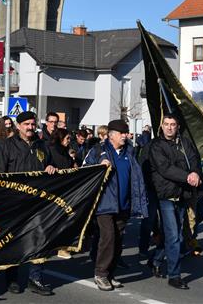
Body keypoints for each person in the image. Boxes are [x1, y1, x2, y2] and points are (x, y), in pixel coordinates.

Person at [0, 111, 57, 296]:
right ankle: (11, 278)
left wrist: (50, 168)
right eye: (26, 124)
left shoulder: (42, 146)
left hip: (37, 204)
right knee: (13, 242)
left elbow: (50, 167)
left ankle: (35, 278)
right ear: (18, 125)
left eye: (32, 124)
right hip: (13, 203)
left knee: (40, 240)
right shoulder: (6, 146)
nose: (30, 127)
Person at [83, 119, 147, 291]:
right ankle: (101, 273)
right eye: (122, 133)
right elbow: (85, 170)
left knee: (118, 240)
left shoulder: (129, 151)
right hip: (104, 203)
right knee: (108, 237)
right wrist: (99, 165)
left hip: (123, 204)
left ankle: (110, 274)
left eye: (126, 133)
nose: (126, 136)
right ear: (112, 135)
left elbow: (135, 176)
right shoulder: (99, 150)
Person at [148, 114, 201, 290]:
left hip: (183, 194)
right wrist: (187, 176)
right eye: (166, 124)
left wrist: (195, 173)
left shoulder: (185, 143)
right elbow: (165, 169)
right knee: (174, 236)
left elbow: (195, 161)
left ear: (178, 126)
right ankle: (175, 275)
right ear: (161, 126)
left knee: (171, 234)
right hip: (166, 195)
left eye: (173, 124)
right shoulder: (156, 145)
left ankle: (156, 260)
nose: (169, 127)